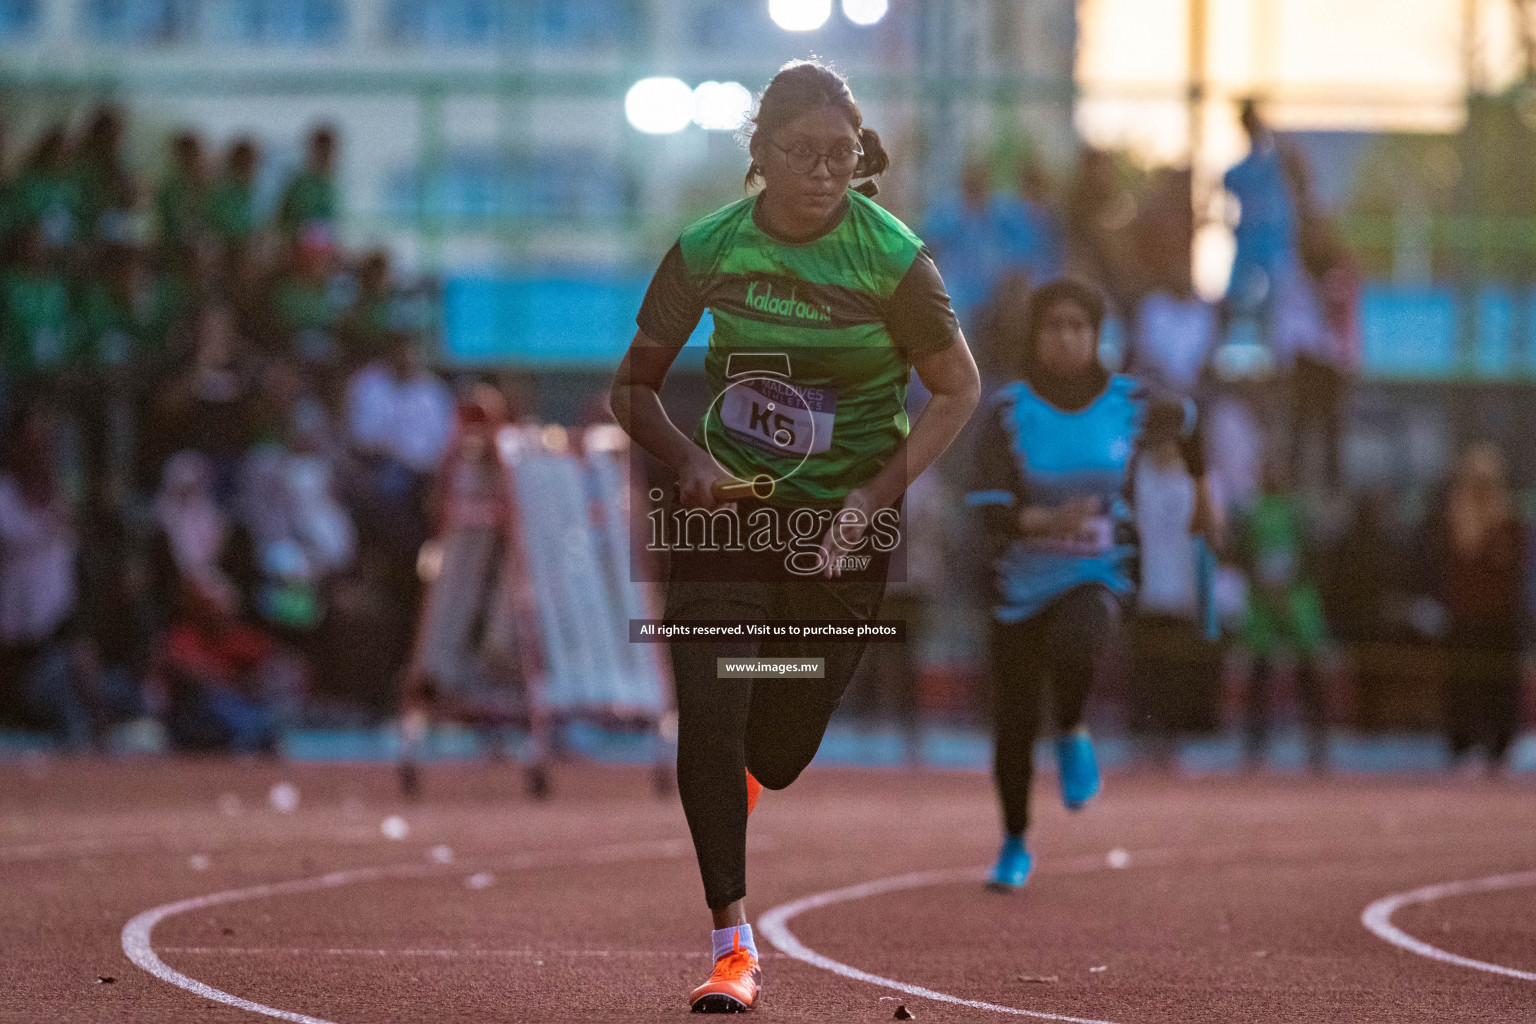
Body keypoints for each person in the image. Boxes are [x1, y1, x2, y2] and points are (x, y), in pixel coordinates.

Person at [609, 60, 979, 1013]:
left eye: (840, 156)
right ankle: (733, 947)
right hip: (731, 515)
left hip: (842, 528)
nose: (823, 173)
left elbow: (958, 390)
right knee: (714, 696)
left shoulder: (894, 260)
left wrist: (870, 501)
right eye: (803, 154)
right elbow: (632, 387)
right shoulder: (708, 248)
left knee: (776, 747)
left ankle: (742, 775)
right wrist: (688, 460)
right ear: (761, 154)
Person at [966, 278, 1217, 890]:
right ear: (1036, 335)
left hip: (1098, 568)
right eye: (1054, 327)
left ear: (1097, 335)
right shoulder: (1007, 410)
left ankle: (1074, 726)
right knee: (1015, 722)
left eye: (1079, 327)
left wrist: (1203, 490)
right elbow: (985, 506)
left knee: (1080, 639)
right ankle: (1015, 841)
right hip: (1019, 579)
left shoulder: (1129, 401)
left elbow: (1189, 423)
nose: (1066, 339)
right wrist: (1045, 519)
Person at [1433, 445, 1525, 775]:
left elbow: (1511, 569)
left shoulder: (1509, 521)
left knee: (1498, 684)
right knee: (1464, 683)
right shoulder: (1455, 520)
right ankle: (1464, 744)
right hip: (1465, 620)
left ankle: (1499, 746)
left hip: (1499, 621)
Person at [1235, 460, 1329, 770]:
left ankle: (1317, 744)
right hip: (1264, 601)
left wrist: (1288, 590)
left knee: (1308, 673)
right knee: (1261, 674)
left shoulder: (1297, 511)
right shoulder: (1252, 512)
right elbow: (1244, 554)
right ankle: (1255, 746)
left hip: (1296, 599)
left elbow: (1312, 555)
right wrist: (1265, 588)